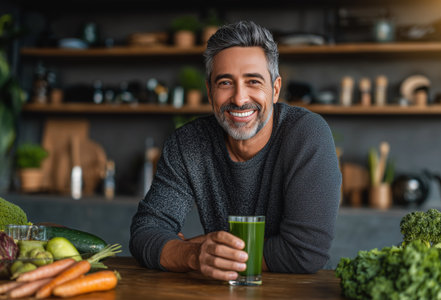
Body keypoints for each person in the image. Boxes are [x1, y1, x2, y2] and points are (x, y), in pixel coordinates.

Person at [129, 20, 341, 281]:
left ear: (275, 90)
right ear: (209, 92)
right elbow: (146, 231)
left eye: (253, 81)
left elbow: (304, 252)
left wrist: (197, 250)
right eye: (226, 83)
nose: (240, 98)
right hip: (219, 291)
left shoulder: (306, 134)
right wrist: (194, 255)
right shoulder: (188, 143)